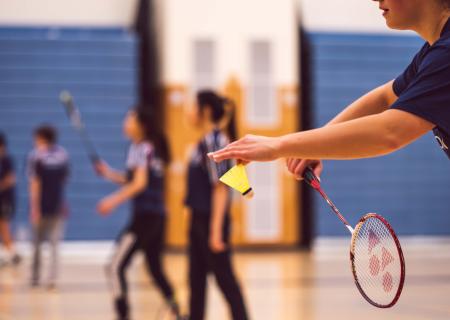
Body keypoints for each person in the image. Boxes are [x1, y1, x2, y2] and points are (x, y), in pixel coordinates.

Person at [209, 0, 450, 180]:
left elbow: (390, 132)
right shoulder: (433, 52)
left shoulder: (446, 53)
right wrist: (311, 146)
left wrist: (278, 145)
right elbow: (385, 97)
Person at [95, 107, 181, 320]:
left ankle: (123, 316)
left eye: (129, 119)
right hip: (158, 217)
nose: (125, 123)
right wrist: (109, 173)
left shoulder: (140, 148)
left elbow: (139, 184)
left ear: (142, 125)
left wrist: (111, 201)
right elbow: (135, 179)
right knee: (155, 268)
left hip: (144, 219)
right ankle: (179, 312)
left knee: (114, 267)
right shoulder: (151, 148)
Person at [185, 90, 249, 320]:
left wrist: (215, 232)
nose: (188, 111)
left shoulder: (216, 141)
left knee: (225, 280)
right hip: (198, 220)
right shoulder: (202, 142)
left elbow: (221, 188)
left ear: (206, 111)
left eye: (193, 106)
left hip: (211, 222)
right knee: (196, 281)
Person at [28, 125, 69, 289]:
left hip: (43, 207)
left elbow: (34, 183)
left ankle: (35, 277)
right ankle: (52, 279)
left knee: (37, 243)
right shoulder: (63, 155)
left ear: (41, 138)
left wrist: (34, 207)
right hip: (57, 206)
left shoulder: (36, 156)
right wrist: (64, 203)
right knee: (54, 244)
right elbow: (63, 182)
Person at [0, 132, 21, 268]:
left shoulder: (6, 160)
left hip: (5, 200)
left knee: (3, 225)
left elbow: (11, 179)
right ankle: (8, 253)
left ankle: (12, 254)